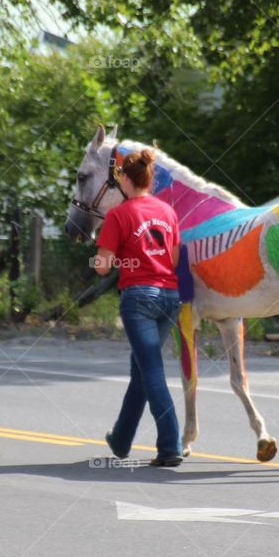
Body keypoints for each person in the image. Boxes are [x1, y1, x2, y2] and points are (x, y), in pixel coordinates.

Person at [93, 148, 183, 467]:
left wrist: (109, 255)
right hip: (170, 297)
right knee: (141, 372)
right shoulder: (167, 212)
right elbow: (173, 259)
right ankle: (121, 440)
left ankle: (171, 445)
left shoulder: (120, 214)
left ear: (125, 179)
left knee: (152, 372)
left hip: (139, 299)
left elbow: (102, 267)